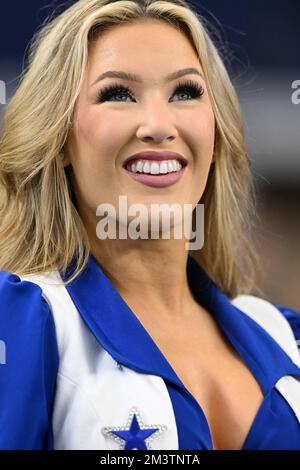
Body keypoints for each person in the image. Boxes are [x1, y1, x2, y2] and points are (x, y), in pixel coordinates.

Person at [0, 0, 299, 450]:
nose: (159, 126)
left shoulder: (286, 336)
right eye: (118, 94)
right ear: (59, 139)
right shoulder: (21, 322)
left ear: (216, 135)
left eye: (185, 92)